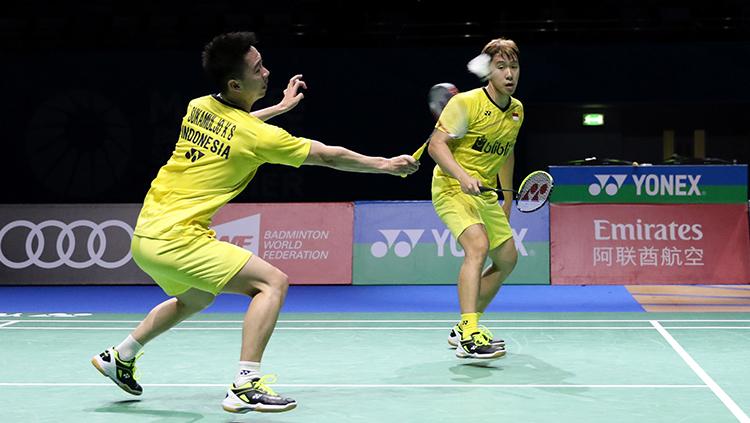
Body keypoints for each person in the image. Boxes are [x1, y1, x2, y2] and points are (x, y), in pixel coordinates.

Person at [91, 31, 418, 414]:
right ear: (235, 83)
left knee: (195, 297)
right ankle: (245, 384)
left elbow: (236, 127)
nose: (266, 72)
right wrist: (385, 165)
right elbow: (326, 156)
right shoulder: (256, 136)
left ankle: (120, 356)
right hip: (179, 238)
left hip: (146, 235)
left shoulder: (198, 106)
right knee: (272, 283)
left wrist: (279, 107)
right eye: (258, 68)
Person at [427, 37, 522, 359]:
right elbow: (436, 146)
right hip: (452, 187)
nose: (509, 74)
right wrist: (463, 176)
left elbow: (506, 153)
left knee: (508, 258)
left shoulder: (516, 111)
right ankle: (469, 333)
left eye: (514, 66)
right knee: (478, 246)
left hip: (484, 192)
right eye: (501, 67)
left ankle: (465, 325)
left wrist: (507, 198)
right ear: (488, 72)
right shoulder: (464, 103)